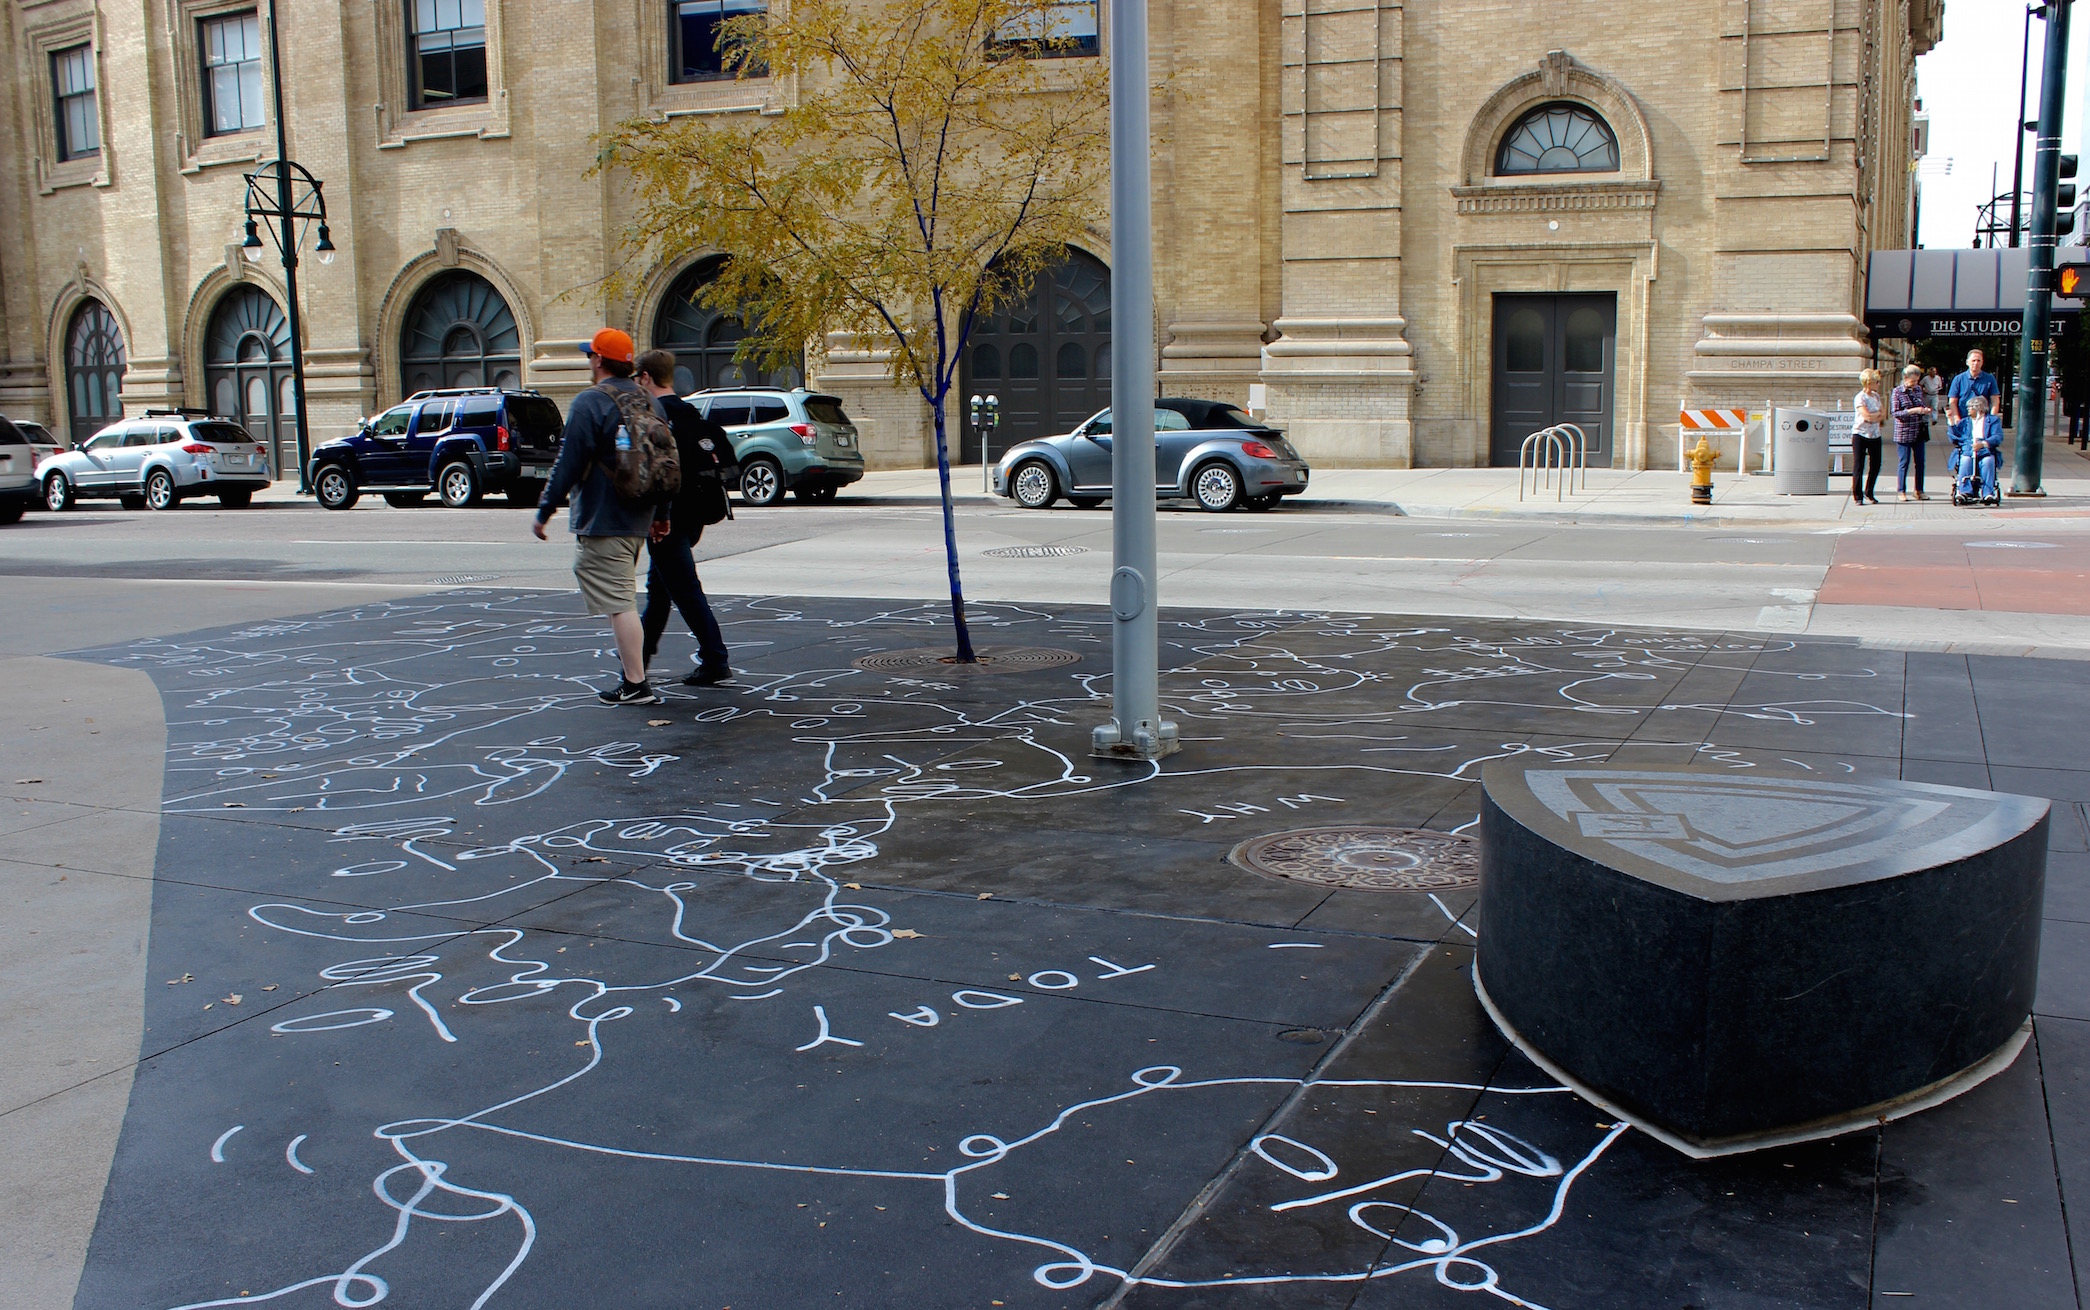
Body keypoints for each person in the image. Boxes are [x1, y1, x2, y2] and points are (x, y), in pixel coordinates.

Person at [531, 328, 671, 706]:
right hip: (639, 514)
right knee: (621, 596)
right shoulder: (649, 401)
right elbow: (665, 464)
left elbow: (569, 462)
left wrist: (545, 509)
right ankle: (634, 679)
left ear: (597, 360)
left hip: (603, 516)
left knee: (620, 602)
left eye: (589, 355)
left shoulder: (589, 402)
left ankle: (636, 683)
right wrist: (661, 514)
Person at [634, 348, 734, 686]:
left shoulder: (657, 418)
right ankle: (638, 659)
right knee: (660, 589)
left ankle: (715, 659)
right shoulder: (691, 414)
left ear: (646, 377)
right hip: (696, 516)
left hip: (667, 519)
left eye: (638, 379)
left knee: (685, 590)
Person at [1889, 363, 1932, 502]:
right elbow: (1895, 412)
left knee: (1920, 461)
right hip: (1904, 431)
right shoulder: (1898, 392)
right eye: (1912, 381)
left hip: (1918, 429)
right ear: (1905, 378)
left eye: (1917, 381)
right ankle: (1901, 490)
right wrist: (1912, 411)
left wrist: (1925, 410)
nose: (1915, 384)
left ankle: (1919, 490)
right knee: (1904, 461)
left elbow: (1921, 404)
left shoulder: (1918, 390)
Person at [1946, 348, 2001, 454]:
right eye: (1973, 360)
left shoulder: (1989, 378)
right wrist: (1957, 418)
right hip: (1964, 419)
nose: (1976, 363)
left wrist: (1992, 418)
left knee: (1984, 448)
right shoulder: (1959, 379)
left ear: (1982, 362)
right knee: (1965, 447)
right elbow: (1952, 401)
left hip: (1982, 420)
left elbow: (1995, 401)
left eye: (1978, 360)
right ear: (1967, 362)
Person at [1850, 367, 1884, 505]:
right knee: (1859, 465)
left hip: (1875, 434)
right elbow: (1867, 416)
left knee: (1875, 464)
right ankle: (1858, 496)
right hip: (1861, 434)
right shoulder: (1860, 397)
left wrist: (1875, 416)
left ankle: (1869, 491)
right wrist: (1874, 416)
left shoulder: (1876, 396)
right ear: (1869, 382)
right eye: (1876, 381)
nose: (1878, 384)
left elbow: (1883, 413)